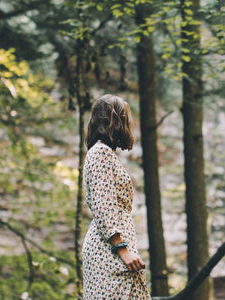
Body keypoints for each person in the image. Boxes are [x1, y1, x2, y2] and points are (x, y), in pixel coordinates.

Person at [82, 94, 151, 299]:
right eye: (125, 117)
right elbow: (103, 205)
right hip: (109, 252)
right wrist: (121, 248)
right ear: (114, 120)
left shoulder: (106, 154)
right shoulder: (100, 154)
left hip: (117, 250)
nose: (129, 123)